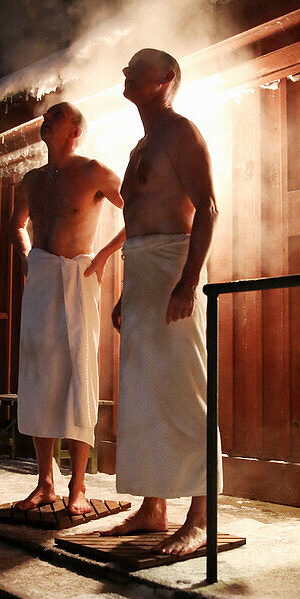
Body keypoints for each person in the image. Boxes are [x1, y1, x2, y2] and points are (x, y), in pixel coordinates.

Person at [85, 48, 222, 555]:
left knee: (186, 390)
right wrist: (126, 291)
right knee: (143, 393)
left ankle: (202, 515)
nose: (124, 72)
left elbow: (207, 208)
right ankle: (153, 506)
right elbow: (136, 220)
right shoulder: (141, 143)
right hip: (143, 271)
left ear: (165, 79)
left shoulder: (182, 133)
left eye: (135, 68)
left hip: (173, 266)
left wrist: (189, 282)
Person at [10, 101, 123, 515]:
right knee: (39, 373)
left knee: (79, 372)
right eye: (46, 116)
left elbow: (140, 208)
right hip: (41, 277)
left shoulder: (92, 171)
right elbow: (17, 223)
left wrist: (107, 253)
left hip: (80, 275)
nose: (46, 120)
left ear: (75, 130)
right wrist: (26, 257)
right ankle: (45, 483)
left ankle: (77, 485)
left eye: (55, 116)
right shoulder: (32, 180)